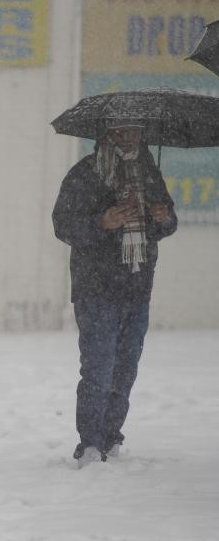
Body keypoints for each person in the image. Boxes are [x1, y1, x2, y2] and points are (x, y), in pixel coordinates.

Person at [52, 119, 177, 462]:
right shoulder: (85, 173)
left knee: (125, 368)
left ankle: (111, 437)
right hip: (96, 287)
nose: (127, 138)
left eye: (133, 131)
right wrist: (102, 222)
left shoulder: (148, 173)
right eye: (120, 131)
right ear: (105, 135)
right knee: (98, 365)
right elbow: (62, 224)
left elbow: (168, 223)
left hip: (137, 287)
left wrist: (163, 217)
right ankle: (91, 443)